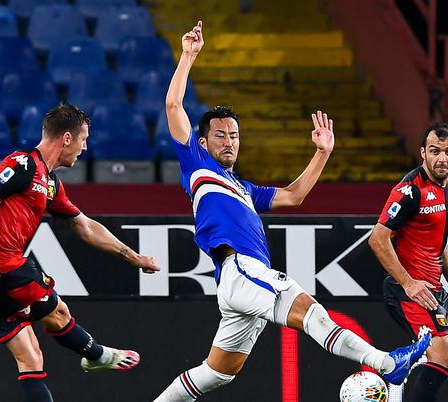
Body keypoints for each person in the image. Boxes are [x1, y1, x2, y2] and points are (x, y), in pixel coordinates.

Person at [152, 21, 431, 401]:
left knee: (216, 374)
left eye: (234, 135)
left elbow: (292, 196)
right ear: (203, 141)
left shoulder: (244, 188)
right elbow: (173, 105)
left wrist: (322, 154)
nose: (229, 141)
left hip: (240, 281)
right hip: (242, 269)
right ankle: (385, 363)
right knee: (311, 312)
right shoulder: (197, 164)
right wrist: (188, 55)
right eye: (220, 134)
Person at [0, 104, 160, 402]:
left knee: (31, 358)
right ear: (67, 138)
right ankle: (97, 354)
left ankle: (95, 356)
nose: (85, 147)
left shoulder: (50, 183)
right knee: (57, 310)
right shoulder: (24, 163)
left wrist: (135, 258)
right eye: (83, 139)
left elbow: (85, 227)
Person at [368, 123, 448, 402]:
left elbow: (438, 240)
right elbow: (377, 239)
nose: (442, 158)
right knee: (444, 353)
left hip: (436, 290)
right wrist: (409, 283)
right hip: (407, 291)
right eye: (435, 151)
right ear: (423, 153)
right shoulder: (409, 190)